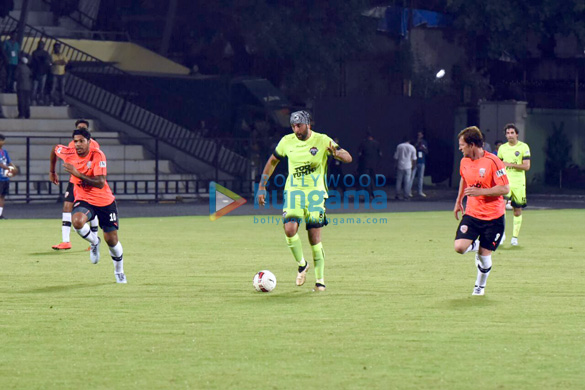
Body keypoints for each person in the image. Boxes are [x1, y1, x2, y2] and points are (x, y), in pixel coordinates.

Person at [256, 110, 352, 292]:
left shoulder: (322, 140)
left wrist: (339, 155)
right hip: (293, 193)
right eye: (293, 126)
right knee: (290, 229)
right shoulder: (286, 141)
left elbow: (348, 156)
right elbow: (272, 162)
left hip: (316, 194)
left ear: (308, 124)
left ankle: (320, 281)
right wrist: (262, 185)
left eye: (298, 125)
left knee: (314, 238)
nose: (295, 129)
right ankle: (302, 265)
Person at [50, 128, 127, 283]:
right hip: (84, 199)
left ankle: (119, 271)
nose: (78, 144)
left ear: (89, 142)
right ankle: (94, 242)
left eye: (81, 141)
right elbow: (54, 149)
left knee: (111, 240)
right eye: (75, 141)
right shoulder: (68, 152)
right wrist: (52, 171)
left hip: (104, 201)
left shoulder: (97, 155)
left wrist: (77, 173)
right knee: (77, 221)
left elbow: (100, 183)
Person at [454, 126, 509, 296]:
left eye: (462, 145)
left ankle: (480, 286)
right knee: (459, 247)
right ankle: (478, 244)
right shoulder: (464, 161)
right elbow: (464, 180)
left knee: (485, 260)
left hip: (494, 217)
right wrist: (458, 201)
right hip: (472, 214)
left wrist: (481, 192)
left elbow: (505, 188)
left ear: (472, 144)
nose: (460, 148)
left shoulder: (493, 161)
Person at [52, 119, 100, 250]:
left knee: (92, 210)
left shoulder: (94, 146)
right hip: (74, 181)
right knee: (67, 206)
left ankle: (93, 241)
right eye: (79, 128)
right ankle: (66, 241)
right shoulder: (71, 145)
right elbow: (57, 151)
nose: (78, 143)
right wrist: (52, 171)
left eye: (84, 128)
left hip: (87, 182)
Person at [497, 123, 531, 246]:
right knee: (501, 207)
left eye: (512, 133)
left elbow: (526, 166)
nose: (510, 135)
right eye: (507, 133)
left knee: (517, 211)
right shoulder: (502, 148)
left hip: (519, 183)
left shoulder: (523, 147)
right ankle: (502, 234)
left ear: (516, 134)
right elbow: (499, 166)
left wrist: (510, 164)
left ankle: (515, 237)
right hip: (505, 182)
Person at [0, 134, 18, 219]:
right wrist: (8, 168)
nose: (3, 142)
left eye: (3, 140)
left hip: (4, 177)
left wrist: (14, 168)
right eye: (1, 140)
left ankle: (0, 214)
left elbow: (9, 162)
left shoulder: (4, 152)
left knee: (2, 196)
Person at [30, 40, 51, 105]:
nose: (40, 45)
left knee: (41, 88)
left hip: (43, 73)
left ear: (44, 45)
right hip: (36, 72)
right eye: (39, 44)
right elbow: (36, 61)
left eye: (42, 44)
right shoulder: (35, 52)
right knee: (34, 88)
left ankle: (40, 100)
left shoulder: (46, 53)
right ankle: (33, 100)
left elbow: (46, 61)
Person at [410, 131, 428, 197]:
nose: (419, 136)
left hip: (422, 161)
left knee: (420, 177)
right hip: (414, 161)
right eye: (418, 135)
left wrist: (423, 148)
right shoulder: (414, 142)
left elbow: (427, 151)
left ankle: (420, 191)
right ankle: (409, 191)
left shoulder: (424, 142)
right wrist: (417, 144)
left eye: (420, 135)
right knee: (412, 177)